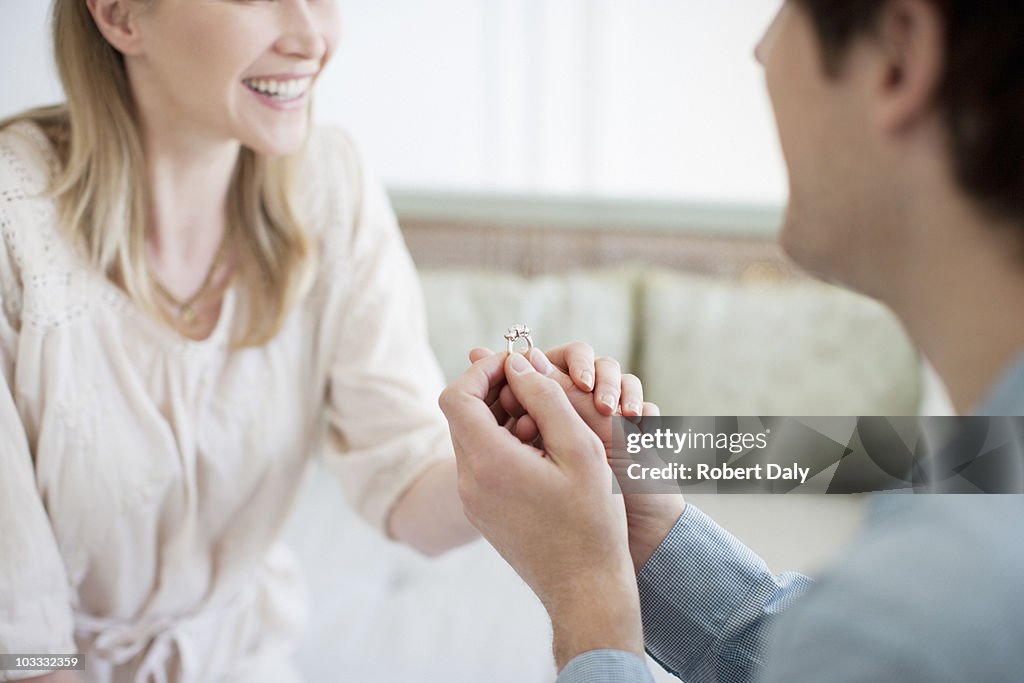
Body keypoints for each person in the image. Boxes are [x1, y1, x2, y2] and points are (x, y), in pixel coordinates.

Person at [0, 1, 635, 681]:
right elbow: (25, 644)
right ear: (121, 15)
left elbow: (409, 487)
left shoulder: (330, 184)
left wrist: (511, 444)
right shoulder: (15, 225)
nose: (312, 38)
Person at [440, 1, 1024, 681]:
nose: (760, 51)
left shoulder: (921, 613)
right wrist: (646, 545)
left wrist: (587, 596)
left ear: (897, 58)